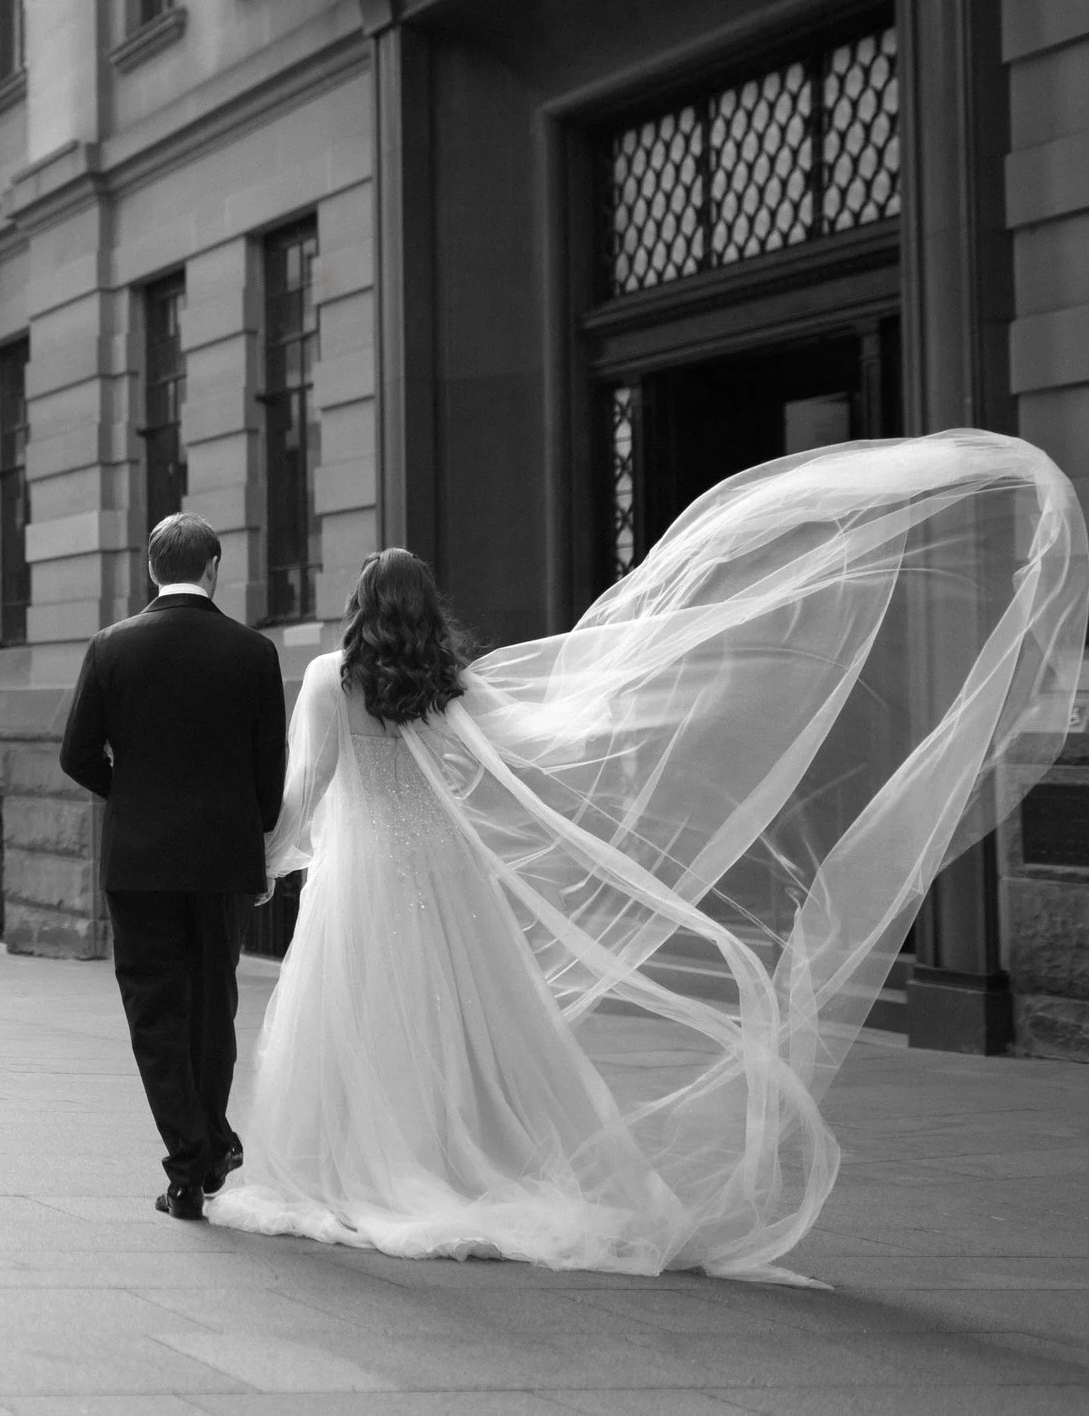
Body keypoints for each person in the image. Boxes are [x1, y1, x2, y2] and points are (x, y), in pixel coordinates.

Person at [207, 431, 1088, 1282]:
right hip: (442, 878)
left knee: (365, 1024)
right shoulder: (452, 682)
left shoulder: (329, 678)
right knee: (460, 1031)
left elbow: (308, 789)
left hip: (362, 881)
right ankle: (459, 1162)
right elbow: (534, 754)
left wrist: (266, 855)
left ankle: (374, 1164)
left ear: (361, 608)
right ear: (423, 609)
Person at [59, 512, 288, 1221]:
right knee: (214, 1001)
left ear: (151, 569)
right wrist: (249, 831)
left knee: (156, 1009)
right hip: (222, 857)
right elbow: (269, 774)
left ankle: (192, 1162)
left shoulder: (110, 647)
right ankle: (209, 1140)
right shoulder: (253, 652)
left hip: (141, 859)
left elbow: (76, 754)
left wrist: (130, 796)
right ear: (215, 568)